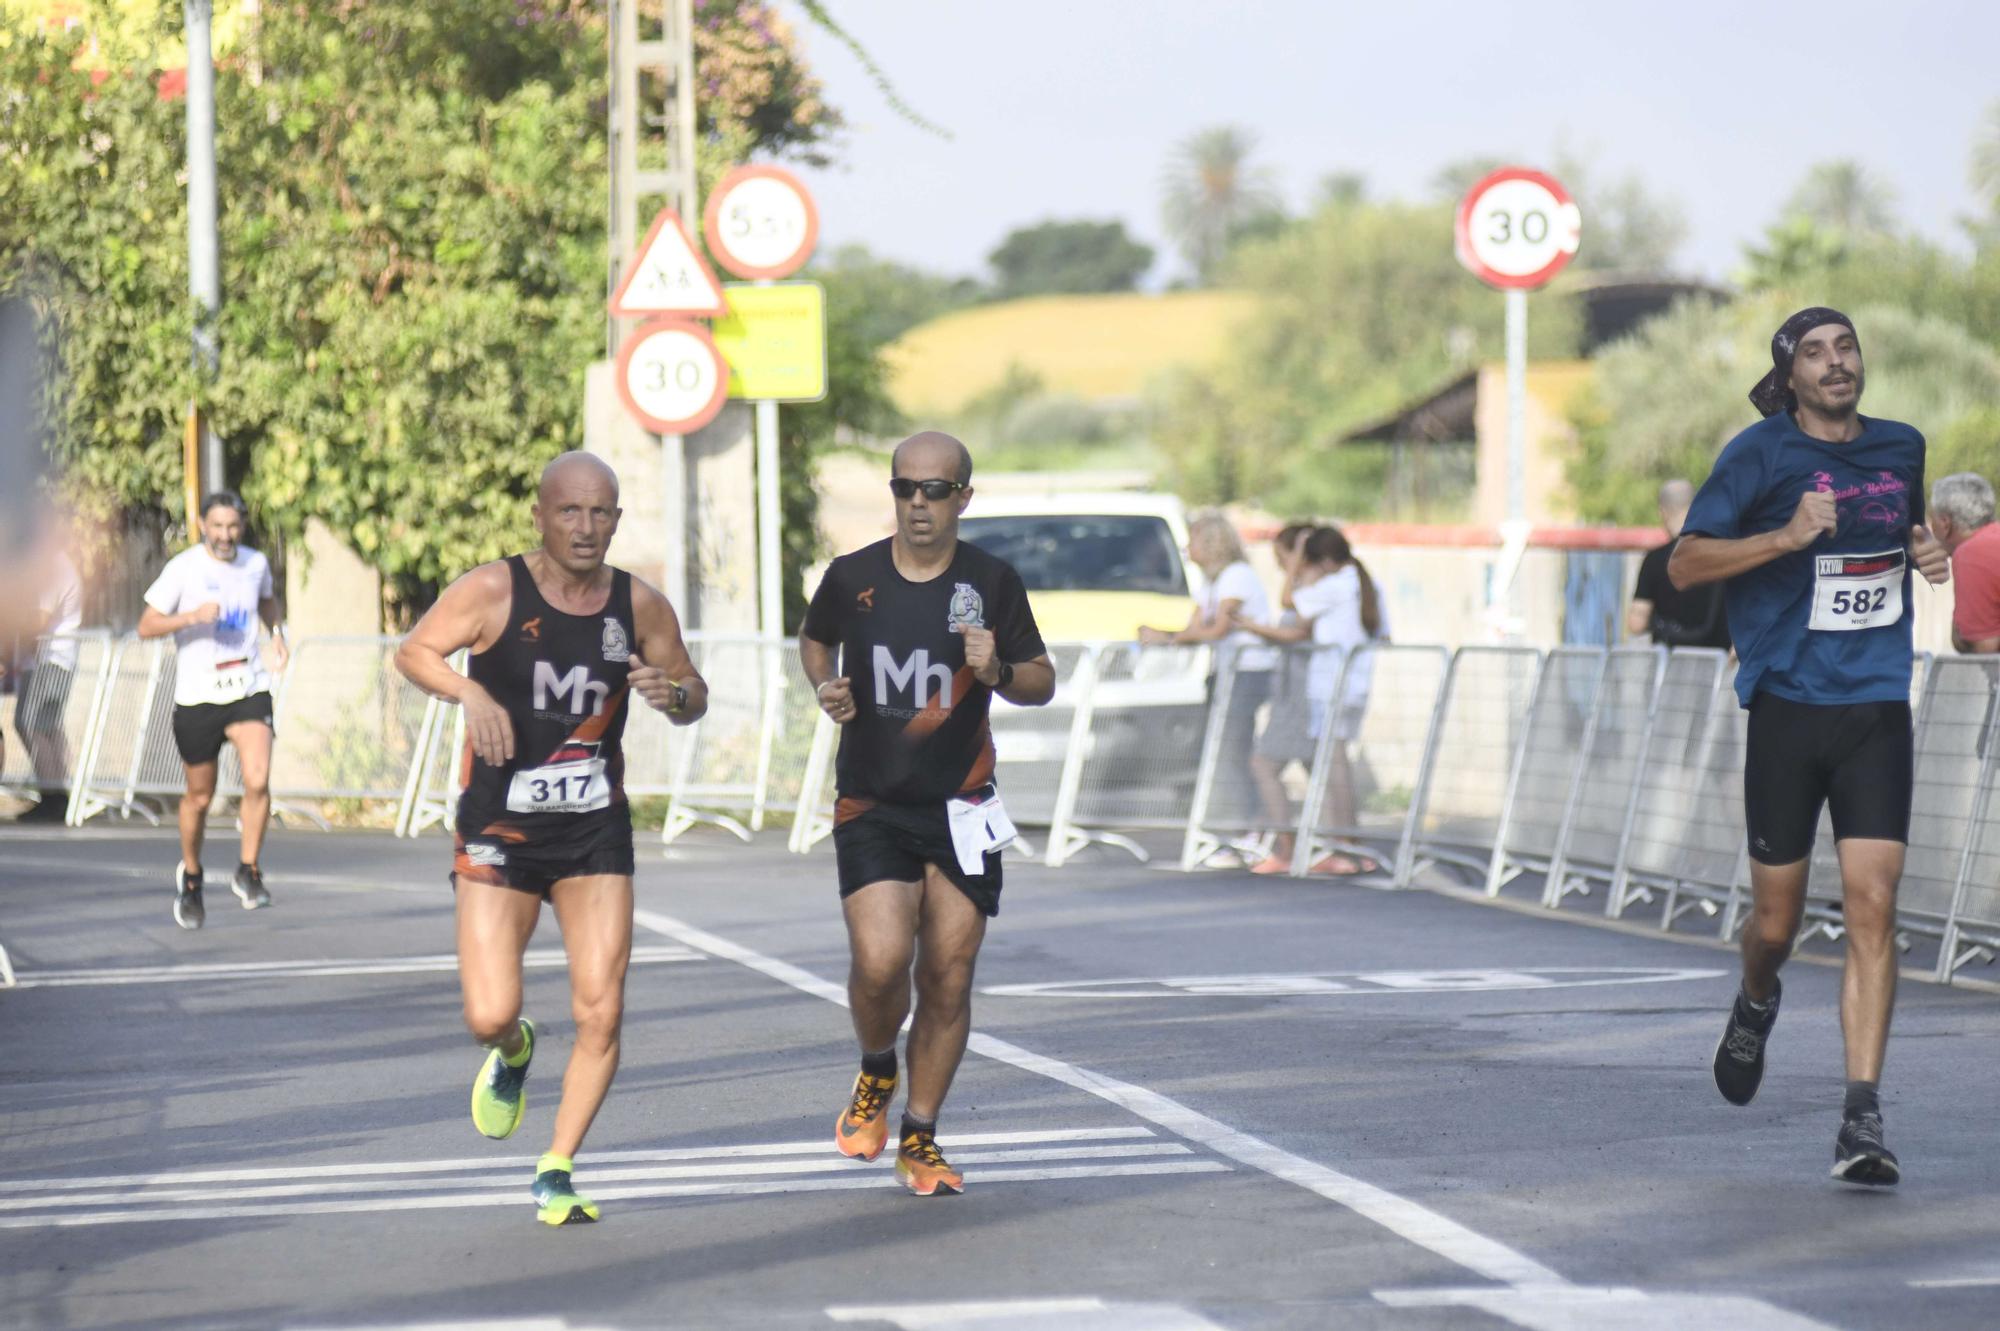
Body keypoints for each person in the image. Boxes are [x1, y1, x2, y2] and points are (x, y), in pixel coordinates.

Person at [1669, 308, 1949, 1187]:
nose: (1837, 364)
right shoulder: (1758, 454)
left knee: (1875, 902)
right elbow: (1684, 564)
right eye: (1816, 354)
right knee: (1779, 924)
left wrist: (1925, 549)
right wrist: (1785, 538)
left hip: (1874, 705)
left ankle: (1861, 1111)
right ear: (1789, 376)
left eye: (1847, 348)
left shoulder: (1902, 445)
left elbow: (1899, 530)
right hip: (1788, 709)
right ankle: (1756, 996)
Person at [395, 452, 705, 1226]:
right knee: (486, 1012)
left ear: (617, 520)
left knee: (602, 1008)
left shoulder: (640, 606)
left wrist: (673, 694)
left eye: (601, 512)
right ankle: (514, 1049)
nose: (586, 526)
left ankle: (557, 1165)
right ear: (539, 515)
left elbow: (692, 692)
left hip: (594, 829)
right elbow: (414, 651)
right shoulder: (495, 589)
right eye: (569, 510)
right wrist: (469, 690)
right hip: (499, 826)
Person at [800, 431, 1054, 1196]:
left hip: (963, 807)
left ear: (962, 499)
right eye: (904, 487)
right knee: (881, 963)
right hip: (873, 801)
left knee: (949, 972)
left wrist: (997, 670)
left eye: (934, 490)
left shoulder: (992, 582)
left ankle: (922, 1135)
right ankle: (877, 1067)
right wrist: (827, 687)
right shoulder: (853, 577)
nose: (917, 502)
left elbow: (1040, 678)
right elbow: (815, 643)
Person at [138, 492, 289, 928]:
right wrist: (190, 618)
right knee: (200, 797)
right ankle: (192, 875)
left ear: (241, 526)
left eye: (233, 527)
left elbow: (266, 599)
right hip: (198, 694)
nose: (226, 535)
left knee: (258, 778)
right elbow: (146, 625)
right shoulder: (183, 569)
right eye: (217, 527)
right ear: (203, 524)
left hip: (247, 685)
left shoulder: (255, 563)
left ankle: (249, 869)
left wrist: (276, 631)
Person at [1233, 526, 1385, 875]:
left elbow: (1290, 604)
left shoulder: (1332, 586)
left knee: (1331, 766)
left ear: (1323, 560)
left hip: (1328, 687)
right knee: (1334, 764)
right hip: (1351, 686)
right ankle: (1345, 844)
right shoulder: (1366, 585)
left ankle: (1341, 847)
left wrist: (1296, 561)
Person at [1138, 510, 1276, 845]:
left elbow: (1217, 629)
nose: (1188, 549)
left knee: (1232, 747)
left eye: (1194, 541)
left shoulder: (1237, 576)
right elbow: (1195, 628)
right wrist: (1166, 635)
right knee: (1221, 748)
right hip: (1226, 671)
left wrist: (1169, 639)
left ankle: (1249, 828)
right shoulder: (1212, 581)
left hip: (1248, 672)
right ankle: (1239, 827)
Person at [11, 545, 83, 823]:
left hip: (50, 659)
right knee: (44, 726)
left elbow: (38, 620)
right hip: (48, 659)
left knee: (31, 722)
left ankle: (54, 796)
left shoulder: (54, 567)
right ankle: (54, 793)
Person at [1627, 479, 1730, 650]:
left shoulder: (1654, 559)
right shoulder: (1722, 553)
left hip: (1672, 664)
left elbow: (1636, 623)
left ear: (1663, 512)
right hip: (1716, 665)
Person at [1927, 472, 2000, 654]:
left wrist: (1958, 635)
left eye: (1932, 519)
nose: (1930, 527)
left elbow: (1984, 650)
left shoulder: (1971, 554)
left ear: (1945, 524)